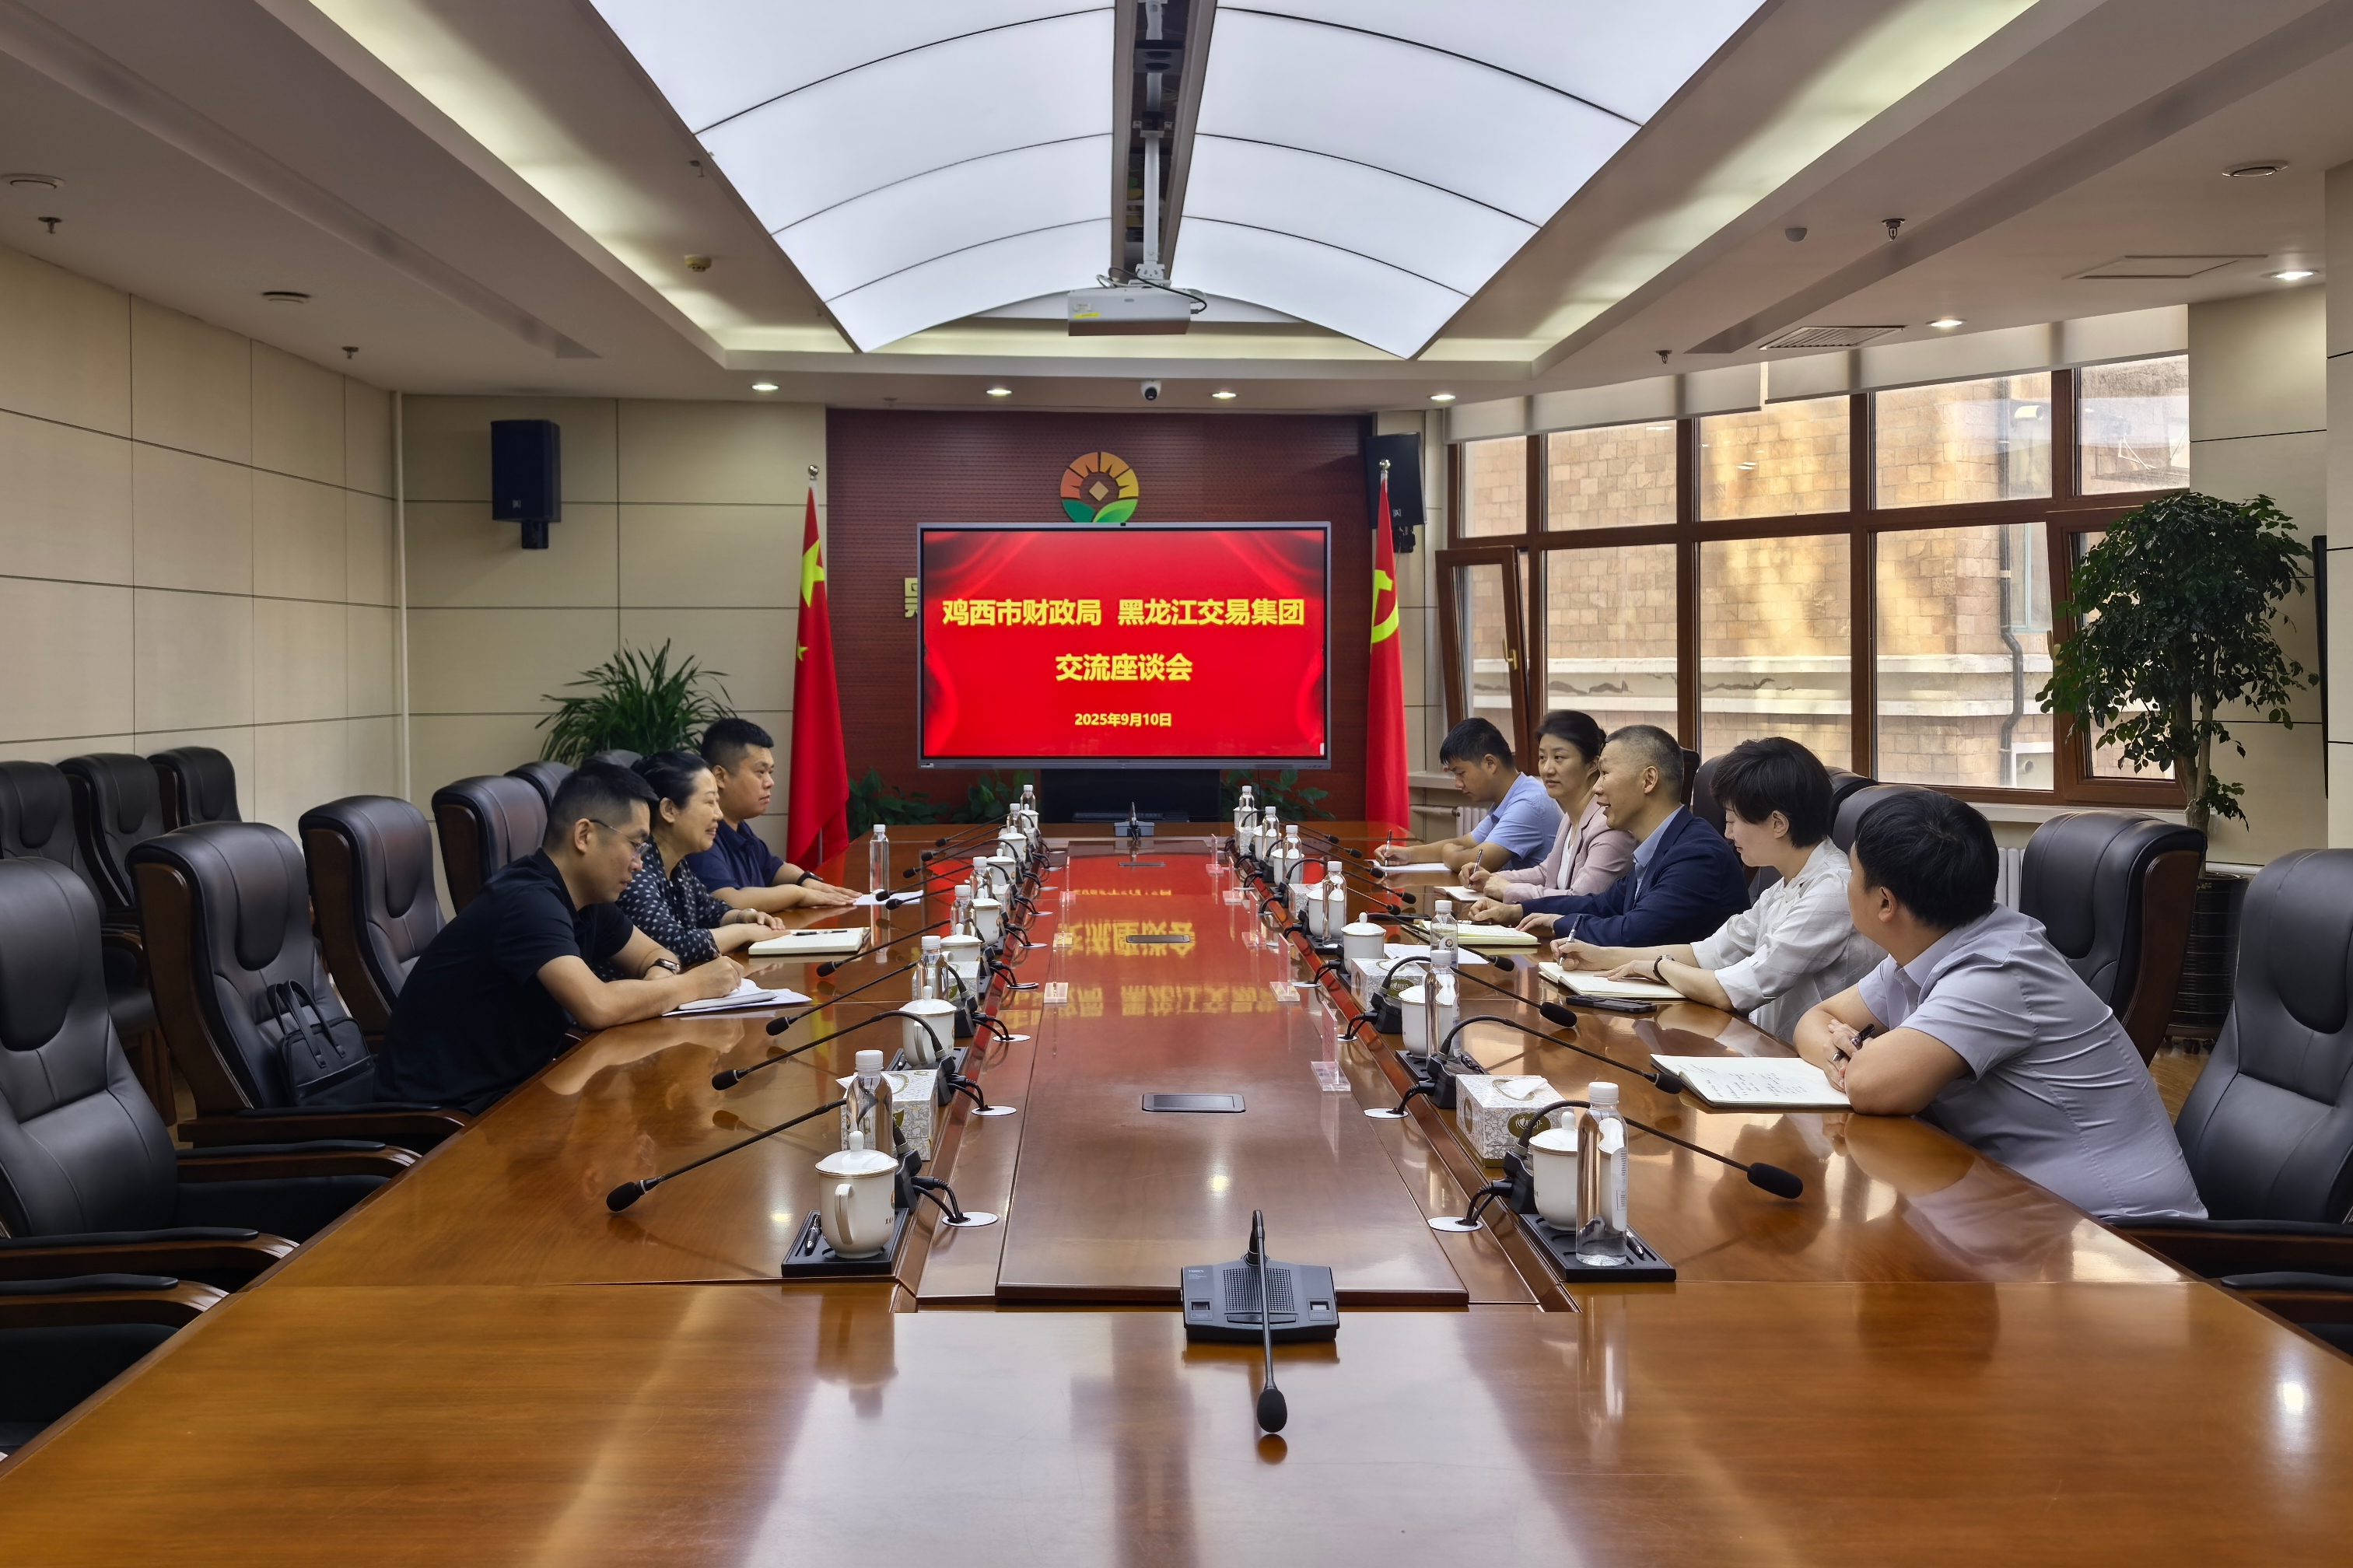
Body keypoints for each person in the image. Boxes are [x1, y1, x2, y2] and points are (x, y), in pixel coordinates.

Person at [1791, 789, 2204, 1221]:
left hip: (2124, 1235)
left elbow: (1872, 1086)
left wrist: (1854, 1057)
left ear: (1885, 903)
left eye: (1853, 873)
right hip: (2020, 1208)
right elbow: (1815, 1020)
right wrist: (1847, 1056)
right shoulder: (1930, 946)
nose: (1847, 884)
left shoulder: (1998, 969)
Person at [376, 763, 742, 1112]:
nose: (639, 863)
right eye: (635, 844)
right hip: (447, 1112)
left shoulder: (588, 899)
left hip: (515, 1093)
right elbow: (597, 1006)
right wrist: (694, 985)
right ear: (584, 836)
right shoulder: (528, 902)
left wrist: (661, 976)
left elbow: (656, 955)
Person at [1546, 737, 1879, 1041]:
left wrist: (1660, 967)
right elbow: (1707, 953)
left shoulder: (1831, 891)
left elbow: (1735, 989)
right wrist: (1600, 957)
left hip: (1808, 1066)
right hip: (1767, 1050)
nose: (1728, 834)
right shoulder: (1786, 886)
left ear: (1778, 824)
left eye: (1733, 820)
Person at [1516, 724, 1749, 947]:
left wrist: (1559, 923)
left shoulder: (1696, 855)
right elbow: (1601, 905)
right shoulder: (1660, 845)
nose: (1596, 788)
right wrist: (1520, 910)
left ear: (1648, 781)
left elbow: (1633, 933)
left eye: (1605, 773)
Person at [605, 751, 790, 975]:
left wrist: (744, 917)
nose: (718, 814)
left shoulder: (676, 864)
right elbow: (673, 946)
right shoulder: (635, 868)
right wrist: (745, 932)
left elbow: (709, 910)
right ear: (669, 810)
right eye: (710, 802)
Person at [1462, 709, 1632, 923]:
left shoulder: (1608, 824)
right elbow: (1546, 873)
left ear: (1592, 765)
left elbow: (1581, 898)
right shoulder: (1571, 816)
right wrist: (1492, 878)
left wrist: (1509, 889)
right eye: (1542, 758)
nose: (1547, 769)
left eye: (1559, 758)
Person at [685, 719, 858, 912]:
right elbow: (727, 901)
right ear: (720, 777)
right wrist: (799, 893)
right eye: (760, 772)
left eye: (770, 772)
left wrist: (806, 881)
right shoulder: (702, 835)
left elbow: (775, 868)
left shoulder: (739, 827)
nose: (770, 782)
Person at [1372, 716, 1561, 874]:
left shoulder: (1528, 803)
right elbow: (1466, 842)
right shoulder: (1512, 796)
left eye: (1461, 773)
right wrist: (1408, 854)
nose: (1458, 783)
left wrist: (1449, 854)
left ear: (1490, 763)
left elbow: (1478, 862)